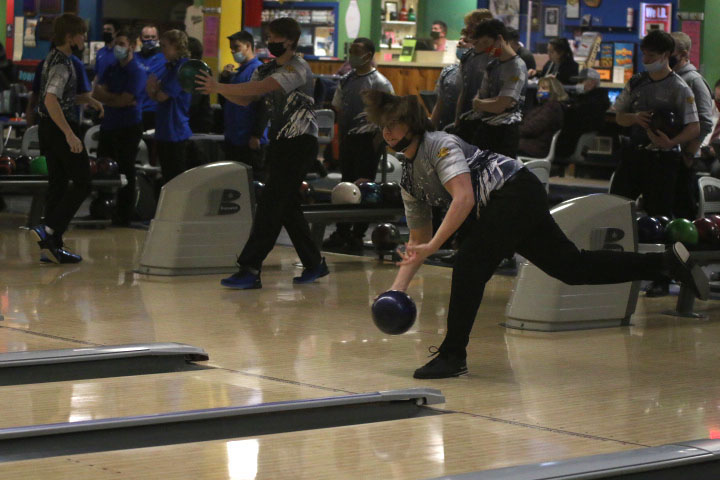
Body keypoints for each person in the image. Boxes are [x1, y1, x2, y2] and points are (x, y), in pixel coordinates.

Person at [362, 90, 709, 379]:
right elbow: (417, 242)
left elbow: (463, 198)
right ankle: (664, 264)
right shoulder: (408, 178)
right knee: (572, 268)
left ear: (413, 124)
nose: (389, 133)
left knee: (469, 264)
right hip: (508, 199)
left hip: (514, 190)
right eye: (384, 127)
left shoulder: (440, 145)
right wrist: (396, 291)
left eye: (395, 125)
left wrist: (437, 244)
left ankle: (453, 355)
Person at [196, 17, 328, 289]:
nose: (270, 43)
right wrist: (220, 89)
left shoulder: (297, 68)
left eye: (274, 38)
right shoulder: (267, 68)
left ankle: (250, 267)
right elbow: (245, 98)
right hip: (280, 144)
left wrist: (219, 87)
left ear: (290, 40)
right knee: (286, 206)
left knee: (270, 204)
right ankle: (315, 264)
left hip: (300, 143)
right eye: (268, 37)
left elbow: (262, 89)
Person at [609, 30, 700, 297]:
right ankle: (616, 265)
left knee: (659, 217)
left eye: (651, 54)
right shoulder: (636, 82)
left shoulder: (680, 88)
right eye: (644, 53)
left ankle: (661, 276)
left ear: (665, 55)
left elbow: (694, 127)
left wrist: (672, 143)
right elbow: (619, 117)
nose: (645, 58)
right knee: (617, 207)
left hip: (663, 161)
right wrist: (634, 118)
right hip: (634, 156)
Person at [31, 14, 104, 264]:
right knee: (83, 181)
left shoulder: (53, 57)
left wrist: (88, 100)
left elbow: (58, 96)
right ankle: (49, 229)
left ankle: (51, 248)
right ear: (70, 37)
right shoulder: (63, 63)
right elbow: (51, 100)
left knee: (59, 184)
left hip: (48, 128)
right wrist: (69, 133)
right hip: (59, 128)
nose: (84, 37)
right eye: (81, 34)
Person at [322, 37, 394, 252]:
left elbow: (389, 114)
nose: (352, 56)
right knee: (345, 184)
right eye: (350, 51)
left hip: (369, 141)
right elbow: (338, 108)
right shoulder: (346, 80)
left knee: (365, 187)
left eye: (356, 52)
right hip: (348, 139)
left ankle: (357, 234)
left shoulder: (380, 83)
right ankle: (342, 231)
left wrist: (381, 141)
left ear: (369, 55)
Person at [92, 27, 146, 226]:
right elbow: (96, 93)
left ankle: (124, 214)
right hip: (109, 124)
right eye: (116, 44)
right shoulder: (111, 67)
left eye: (122, 44)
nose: (118, 48)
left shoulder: (137, 71)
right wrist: (114, 99)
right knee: (103, 167)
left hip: (129, 126)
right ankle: (101, 208)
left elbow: (126, 100)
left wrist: (110, 99)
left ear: (131, 46)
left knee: (125, 168)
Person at [464, 19, 527, 158]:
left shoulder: (517, 67)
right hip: (485, 129)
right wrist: (485, 103)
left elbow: (500, 105)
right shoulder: (492, 65)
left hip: (505, 133)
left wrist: (481, 103)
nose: (487, 49)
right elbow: (482, 98)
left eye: (487, 43)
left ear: (499, 39)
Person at [669, 31, 715, 221]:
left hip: (684, 156)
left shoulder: (694, 80)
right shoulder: (669, 79)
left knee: (682, 210)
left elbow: (705, 120)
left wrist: (689, 152)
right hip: (669, 152)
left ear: (684, 53)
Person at [219, 30, 267, 181]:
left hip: (249, 139)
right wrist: (224, 81)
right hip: (235, 136)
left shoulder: (258, 71)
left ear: (248, 46)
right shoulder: (238, 74)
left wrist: (256, 134)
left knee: (252, 184)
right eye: (231, 48)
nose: (233, 52)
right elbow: (226, 102)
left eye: (237, 47)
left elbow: (264, 105)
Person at [145, 29, 192, 184]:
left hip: (175, 131)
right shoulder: (170, 67)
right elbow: (156, 95)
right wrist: (154, 91)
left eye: (165, 46)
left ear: (176, 46)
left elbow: (161, 95)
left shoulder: (182, 69)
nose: (162, 49)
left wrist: (153, 90)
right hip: (165, 129)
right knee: (167, 175)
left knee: (175, 178)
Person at [26, 43, 91, 127]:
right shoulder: (75, 64)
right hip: (56, 123)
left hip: (59, 122)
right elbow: (34, 98)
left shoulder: (75, 64)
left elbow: (33, 100)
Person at [453, 9, 493, 142]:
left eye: (472, 25)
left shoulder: (496, 56)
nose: (468, 29)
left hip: (487, 121)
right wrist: (457, 119)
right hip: (467, 117)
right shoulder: (468, 56)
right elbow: (463, 91)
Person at [556, 68, 610, 158]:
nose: (578, 84)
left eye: (581, 81)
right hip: (573, 143)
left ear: (592, 82)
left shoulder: (593, 101)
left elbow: (575, 119)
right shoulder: (590, 98)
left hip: (573, 145)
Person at [518, 76, 565, 158]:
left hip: (535, 146)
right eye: (539, 88)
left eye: (544, 88)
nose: (540, 91)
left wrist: (512, 130)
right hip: (531, 143)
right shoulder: (544, 106)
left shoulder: (551, 107)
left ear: (553, 91)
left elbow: (531, 128)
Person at [431, 39, 468, 131]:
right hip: (446, 128)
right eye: (461, 39)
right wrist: (431, 131)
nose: (460, 42)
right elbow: (439, 105)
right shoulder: (448, 71)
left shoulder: (483, 73)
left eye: (467, 40)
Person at [136, 24, 166, 131]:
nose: (150, 40)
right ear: (140, 38)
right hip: (135, 109)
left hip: (154, 109)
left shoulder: (164, 59)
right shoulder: (134, 58)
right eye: (147, 37)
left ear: (158, 38)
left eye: (153, 37)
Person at [186, 36, 213, 134]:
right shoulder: (202, 69)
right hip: (198, 121)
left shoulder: (200, 72)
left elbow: (193, 101)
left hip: (197, 124)